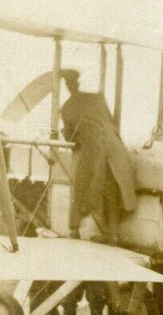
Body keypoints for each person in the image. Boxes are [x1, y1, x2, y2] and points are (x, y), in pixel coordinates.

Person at [58, 69, 137, 244]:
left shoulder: (67, 107)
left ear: (68, 86)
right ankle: (113, 234)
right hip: (115, 148)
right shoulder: (98, 99)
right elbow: (110, 121)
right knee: (111, 190)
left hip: (94, 148)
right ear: (78, 83)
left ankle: (74, 230)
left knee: (82, 187)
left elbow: (71, 138)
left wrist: (73, 134)